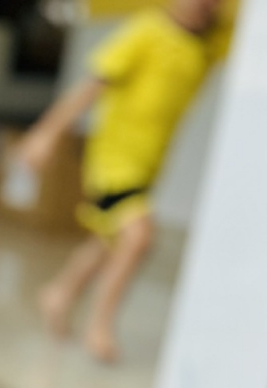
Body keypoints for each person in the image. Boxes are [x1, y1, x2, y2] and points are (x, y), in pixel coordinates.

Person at [18, 0, 217, 364]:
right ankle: (100, 326)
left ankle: (59, 293)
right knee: (139, 237)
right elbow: (93, 84)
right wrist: (46, 133)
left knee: (108, 241)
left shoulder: (209, 43)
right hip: (114, 162)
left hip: (149, 165)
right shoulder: (146, 32)